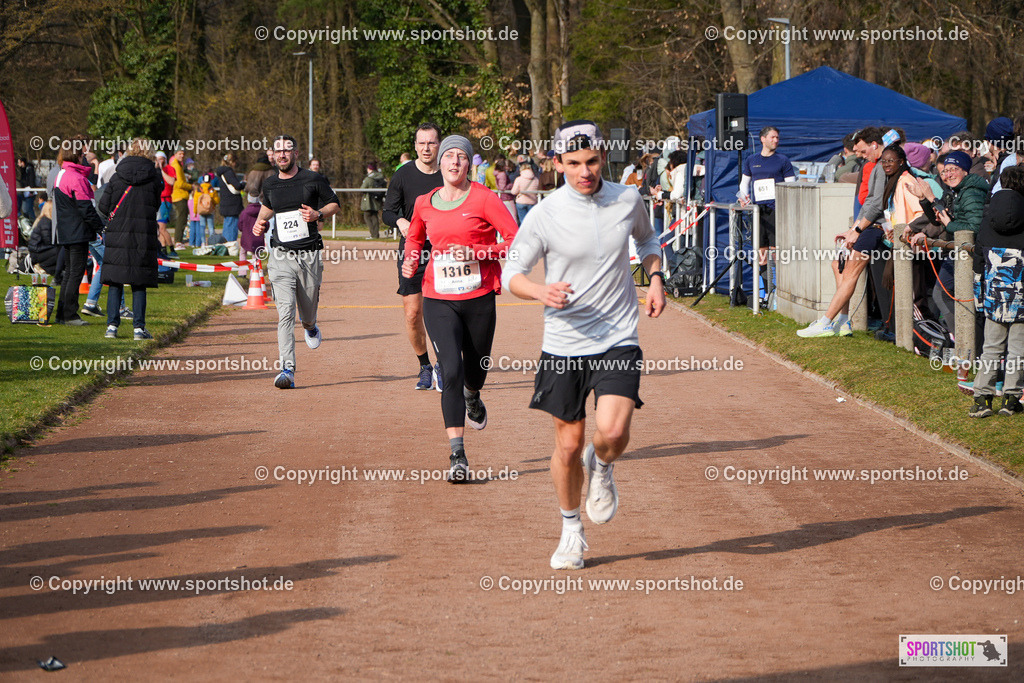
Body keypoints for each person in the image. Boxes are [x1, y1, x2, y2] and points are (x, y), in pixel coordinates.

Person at [501, 120, 666, 570]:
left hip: (617, 335)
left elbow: (647, 239)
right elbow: (510, 272)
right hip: (564, 342)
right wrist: (539, 291)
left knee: (611, 433)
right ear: (557, 164)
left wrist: (654, 278)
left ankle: (605, 466)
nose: (584, 171)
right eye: (573, 163)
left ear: (603, 157)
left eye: (591, 161)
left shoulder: (626, 198)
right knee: (569, 446)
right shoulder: (544, 213)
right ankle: (571, 530)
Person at [401, 135, 519, 481]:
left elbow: (515, 240)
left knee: (476, 367)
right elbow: (414, 239)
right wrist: (410, 262)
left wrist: (480, 253)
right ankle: (458, 456)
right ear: (439, 162)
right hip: (438, 297)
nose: (454, 163)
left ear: (470, 165)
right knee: (449, 369)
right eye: (448, 156)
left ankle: (473, 396)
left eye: (461, 158)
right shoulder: (425, 202)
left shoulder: (485, 199)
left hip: (479, 296)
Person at [253, 134, 340, 389]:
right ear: (272, 154)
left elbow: (335, 203)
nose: (282, 154)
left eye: (287, 150)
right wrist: (260, 221)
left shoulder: (313, 179)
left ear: (296, 153)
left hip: (309, 254)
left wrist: (318, 213)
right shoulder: (269, 185)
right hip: (280, 256)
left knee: (307, 311)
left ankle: (311, 326)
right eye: (278, 150)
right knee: (285, 312)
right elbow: (269, 207)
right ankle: (287, 369)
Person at [797, 127, 886, 337]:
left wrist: (856, 229)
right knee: (838, 265)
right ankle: (843, 321)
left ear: (874, 145)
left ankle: (827, 322)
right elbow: (868, 202)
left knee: (849, 272)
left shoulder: (882, 165)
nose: (861, 156)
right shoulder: (872, 164)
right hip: (866, 224)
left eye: (863, 152)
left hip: (875, 226)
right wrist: (852, 229)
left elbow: (876, 203)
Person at [382, 122, 444, 390]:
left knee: (443, 313)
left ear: (439, 144)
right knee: (412, 313)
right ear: (415, 146)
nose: (426, 148)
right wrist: (399, 222)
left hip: (445, 252)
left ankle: (444, 365)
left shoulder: (450, 173)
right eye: (421, 143)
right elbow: (387, 212)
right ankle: (425, 367)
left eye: (431, 142)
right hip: (413, 251)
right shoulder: (403, 175)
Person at [907, 150, 989, 339]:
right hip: (956, 253)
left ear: (965, 171)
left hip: (971, 254)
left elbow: (973, 227)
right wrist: (924, 199)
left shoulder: (972, 192)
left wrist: (948, 223)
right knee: (942, 295)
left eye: (954, 170)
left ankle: (967, 345)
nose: (948, 175)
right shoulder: (955, 191)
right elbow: (937, 219)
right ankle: (962, 343)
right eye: (944, 171)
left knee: (951, 298)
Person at [969, 165, 1024, 417]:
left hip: (994, 292)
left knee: (991, 346)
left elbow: (979, 256)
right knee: (1018, 349)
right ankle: (1012, 400)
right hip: (1021, 293)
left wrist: (980, 293)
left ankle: (982, 398)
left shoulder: (988, 214)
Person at [98, 138, 162, 340]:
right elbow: (156, 205)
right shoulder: (154, 178)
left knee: (115, 280)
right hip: (142, 233)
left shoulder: (117, 177)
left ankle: (111, 327)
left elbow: (103, 205)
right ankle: (138, 328)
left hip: (118, 232)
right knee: (139, 281)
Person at [52, 145, 104, 326]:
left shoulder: (62, 174)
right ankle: (70, 315)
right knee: (75, 273)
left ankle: (61, 314)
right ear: (76, 156)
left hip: (66, 229)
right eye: (82, 155)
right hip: (78, 231)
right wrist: (100, 228)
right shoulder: (76, 178)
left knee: (69, 274)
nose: (85, 158)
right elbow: (85, 207)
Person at [739, 126, 796, 291]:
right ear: (762, 139)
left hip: (776, 211)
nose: (776, 140)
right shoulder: (751, 160)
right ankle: (765, 293)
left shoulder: (783, 160)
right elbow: (744, 184)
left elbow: (791, 185)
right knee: (761, 253)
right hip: (758, 211)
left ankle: (780, 291)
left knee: (776, 253)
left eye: (777, 137)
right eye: (772, 137)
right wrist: (743, 198)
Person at [239, 153, 275, 261]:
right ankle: (272, 251)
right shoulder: (272, 172)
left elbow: (248, 188)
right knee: (270, 227)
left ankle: (253, 248)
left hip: (255, 200)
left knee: (255, 226)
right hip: (269, 202)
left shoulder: (253, 172)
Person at [216, 152, 246, 243]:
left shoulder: (221, 172)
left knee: (227, 224)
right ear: (232, 162)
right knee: (232, 225)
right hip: (232, 203)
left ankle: (225, 245)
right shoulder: (228, 172)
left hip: (225, 202)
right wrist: (243, 183)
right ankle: (231, 245)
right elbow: (237, 185)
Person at [27, 201, 62, 276]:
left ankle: (52, 269)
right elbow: (48, 240)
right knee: (60, 251)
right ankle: (43, 267)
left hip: (38, 250)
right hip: (38, 251)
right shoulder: (46, 222)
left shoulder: (44, 220)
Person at [170, 148, 192, 248]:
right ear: (175, 154)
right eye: (180, 154)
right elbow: (179, 183)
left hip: (180, 195)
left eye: (183, 154)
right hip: (179, 195)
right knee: (181, 219)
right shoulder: (176, 166)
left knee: (183, 219)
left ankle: (179, 241)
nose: (182, 156)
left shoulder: (179, 165)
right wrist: (191, 187)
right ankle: (178, 241)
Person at [359, 161, 386, 239]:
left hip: (368, 201)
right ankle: (376, 234)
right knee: (374, 216)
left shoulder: (369, 178)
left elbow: (362, 189)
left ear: (369, 169)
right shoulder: (380, 176)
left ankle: (373, 234)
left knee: (367, 216)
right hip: (377, 200)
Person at [511, 158, 540, 223]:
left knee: (522, 221)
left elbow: (514, 192)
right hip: (533, 201)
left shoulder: (519, 179)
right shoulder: (536, 179)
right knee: (532, 221)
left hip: (521, 202)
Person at [16, 156, 37, 220]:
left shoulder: (28, 169)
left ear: (22, 162)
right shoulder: (24, 170)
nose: (18, 164)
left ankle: (33, 222)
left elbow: (31, 180)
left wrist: (31, 191)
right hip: (25, 191)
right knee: (26, 209)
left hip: (28, 191)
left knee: (27, 209)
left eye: (19, 162)